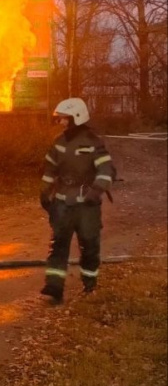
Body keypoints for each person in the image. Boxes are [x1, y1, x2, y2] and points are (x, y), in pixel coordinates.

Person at [39, 97, 116, 303]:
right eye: (61, 119)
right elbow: (49, 169)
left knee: (89, 246)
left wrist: (96, 191)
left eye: (65, 119)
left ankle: (90, 285)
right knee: (58, 245)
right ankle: (54, 287)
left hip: (87, 206)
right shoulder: (59, 142)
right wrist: (45, 191)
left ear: (77, 117)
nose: (62, 123)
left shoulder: (94, 142)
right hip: (63, 203)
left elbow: (106, 170)